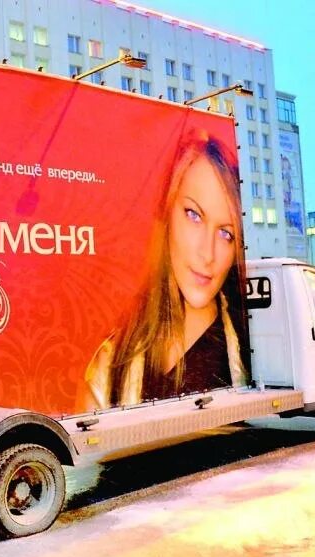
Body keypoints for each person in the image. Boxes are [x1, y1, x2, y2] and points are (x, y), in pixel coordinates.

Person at [83, 131, 248, 410]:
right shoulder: (109, 368)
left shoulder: (248, 348)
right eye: (194, 215)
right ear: (166, 212)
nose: (207, 254)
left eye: (226, 233)